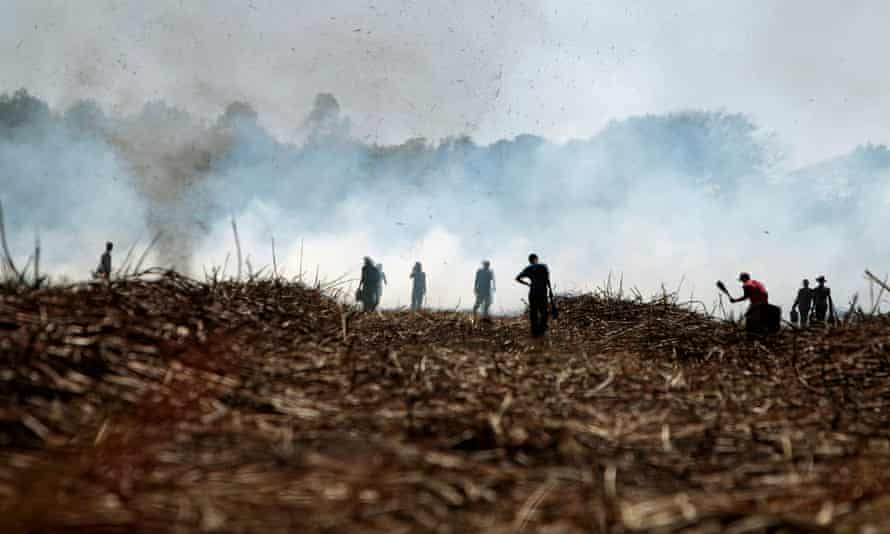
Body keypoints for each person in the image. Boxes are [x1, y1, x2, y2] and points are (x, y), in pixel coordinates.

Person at [515, 253, 553, 337]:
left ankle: (534, 332)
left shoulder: (528, 268)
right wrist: (550, 291)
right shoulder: (543, 266)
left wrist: (528, 284)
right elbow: (547, 279)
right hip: (542, 292)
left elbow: (517, 278)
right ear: (537, 258)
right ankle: (541, 329)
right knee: (544, 311)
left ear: (529, 260)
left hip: (533, 292)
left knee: (533, 312)